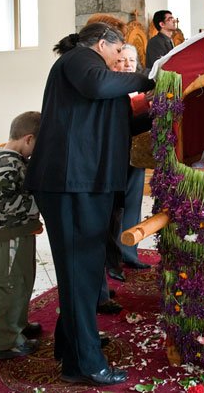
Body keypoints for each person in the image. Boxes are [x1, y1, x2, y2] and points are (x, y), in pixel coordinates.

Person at [25, 22, 154, 386]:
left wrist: (163, 108)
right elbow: (100, 85)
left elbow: (120, 125)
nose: (119, 64)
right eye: (117, 55)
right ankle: (86, 363)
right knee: (80, 271)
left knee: (80, 271)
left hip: (84, 182)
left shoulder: (94, 76)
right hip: (70, 183)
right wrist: (149, 80)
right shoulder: (79, 60)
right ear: (102, 45)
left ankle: (71, 349)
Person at [0, 111, 43, 360]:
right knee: (10, 285)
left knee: (23, 280)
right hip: (9, 235)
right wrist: (38, 206)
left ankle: (19, 324)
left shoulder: (6, 157)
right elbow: (1, 201)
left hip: (19, 230)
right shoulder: (9, 162)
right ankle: (7, 341)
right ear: (28, 139)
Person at [110, 44, 152, 271]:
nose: (127, 65)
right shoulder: (109, 89)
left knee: (133, 205)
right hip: (114, 157)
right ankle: (113, 259)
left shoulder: (138, 91)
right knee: (114, 210)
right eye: (122, 60)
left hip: (137, 155)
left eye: (132, 61)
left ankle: (129, 252)